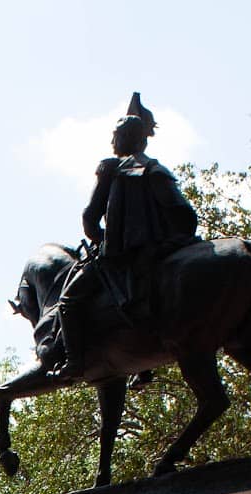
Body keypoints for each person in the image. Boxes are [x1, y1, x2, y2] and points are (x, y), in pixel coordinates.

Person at [46, 92, 199, 376]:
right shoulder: (156, 169)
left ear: (124, 139)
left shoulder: (112, 169)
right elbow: (185, 216)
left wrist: (102, 239)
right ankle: (143, 366)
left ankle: (74, 362)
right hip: (157, 252)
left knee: (68, 302)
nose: (112, 142)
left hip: (119, 255)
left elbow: (90, 218)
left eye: (115, 136)